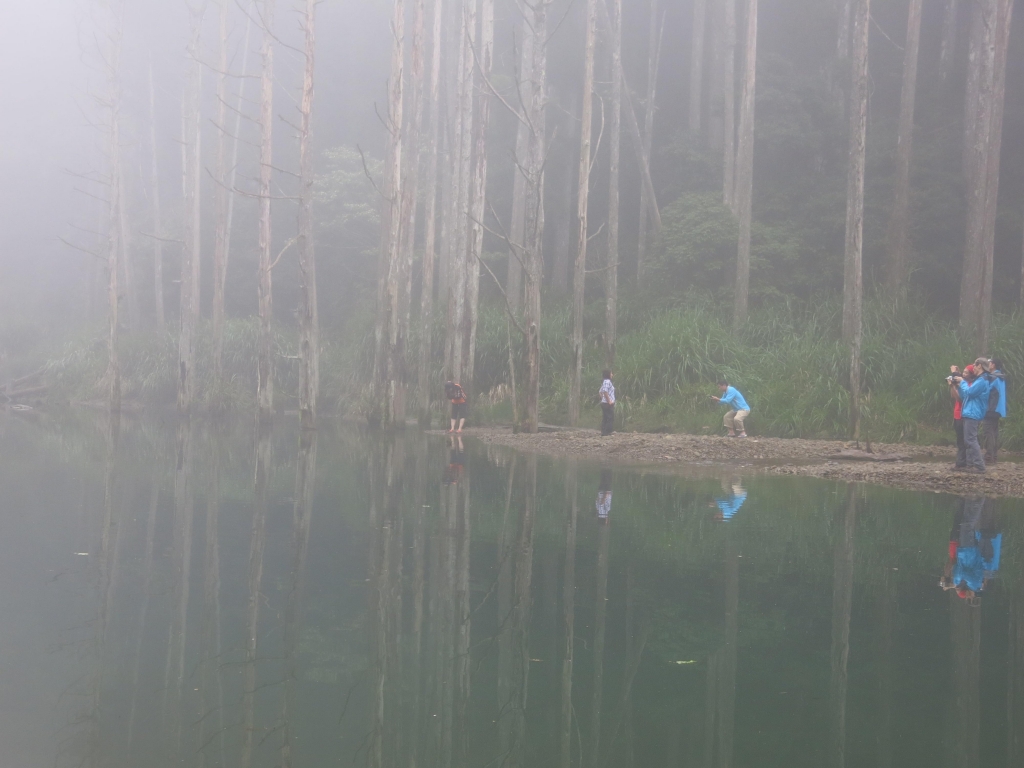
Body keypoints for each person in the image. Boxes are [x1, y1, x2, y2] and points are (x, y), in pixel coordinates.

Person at [954, 364, 991, 473]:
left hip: (973, 413)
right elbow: (965, 395)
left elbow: (970, 392)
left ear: (980, 366)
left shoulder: (982, 380)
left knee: (971, 440)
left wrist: (963, 382)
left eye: (975, 365)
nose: (973, 367)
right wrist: (958, 386)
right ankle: (971, 465)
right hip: (969, 412)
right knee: (968, 440)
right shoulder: (979, 380)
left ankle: (980, 466)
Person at [983, 358, 1006, 464]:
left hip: (992, 408)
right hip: (999, 409)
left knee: (989, 432)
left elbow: (986, 390)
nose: (988, 365)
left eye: (989, 363)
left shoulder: (993, 377)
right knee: (994, 432)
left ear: (993, 365)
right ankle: (994, 456)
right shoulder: (1001, 377)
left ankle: (989, 456)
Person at [949, 365, 967, 470]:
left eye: (965, 373)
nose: (963, 375)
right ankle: (962, 461)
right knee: (960, 439)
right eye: (962, 373)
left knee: (962, 440)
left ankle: (962, 462)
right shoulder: (963, 384)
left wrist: (954, 374)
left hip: (962, 415)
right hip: (957, 414)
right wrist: (953, 386)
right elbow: (954, 396)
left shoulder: (967, 385)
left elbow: (960, 398)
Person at [598, 370, 616, 436]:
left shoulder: (605, 382)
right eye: (611, 373)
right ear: (608, 374)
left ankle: (604, 431)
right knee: (610, 417)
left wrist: (602, 398)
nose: (612, 375)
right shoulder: (607, 382)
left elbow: (600, 392)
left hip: (605, 403)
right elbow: (605, 391)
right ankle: (607, 432)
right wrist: (609, 401)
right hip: (607, 403)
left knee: (605, 417)